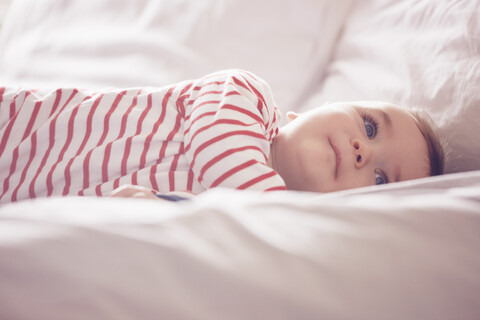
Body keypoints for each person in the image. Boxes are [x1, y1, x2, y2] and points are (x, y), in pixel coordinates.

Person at [0, 70, 444, 203]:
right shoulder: (243, 95)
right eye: (368, 126)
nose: (362, 150)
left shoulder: (232, 223)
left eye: (382, 180)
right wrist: (286, 213)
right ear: (305, 111)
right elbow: (221, 158)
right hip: (20, 129)